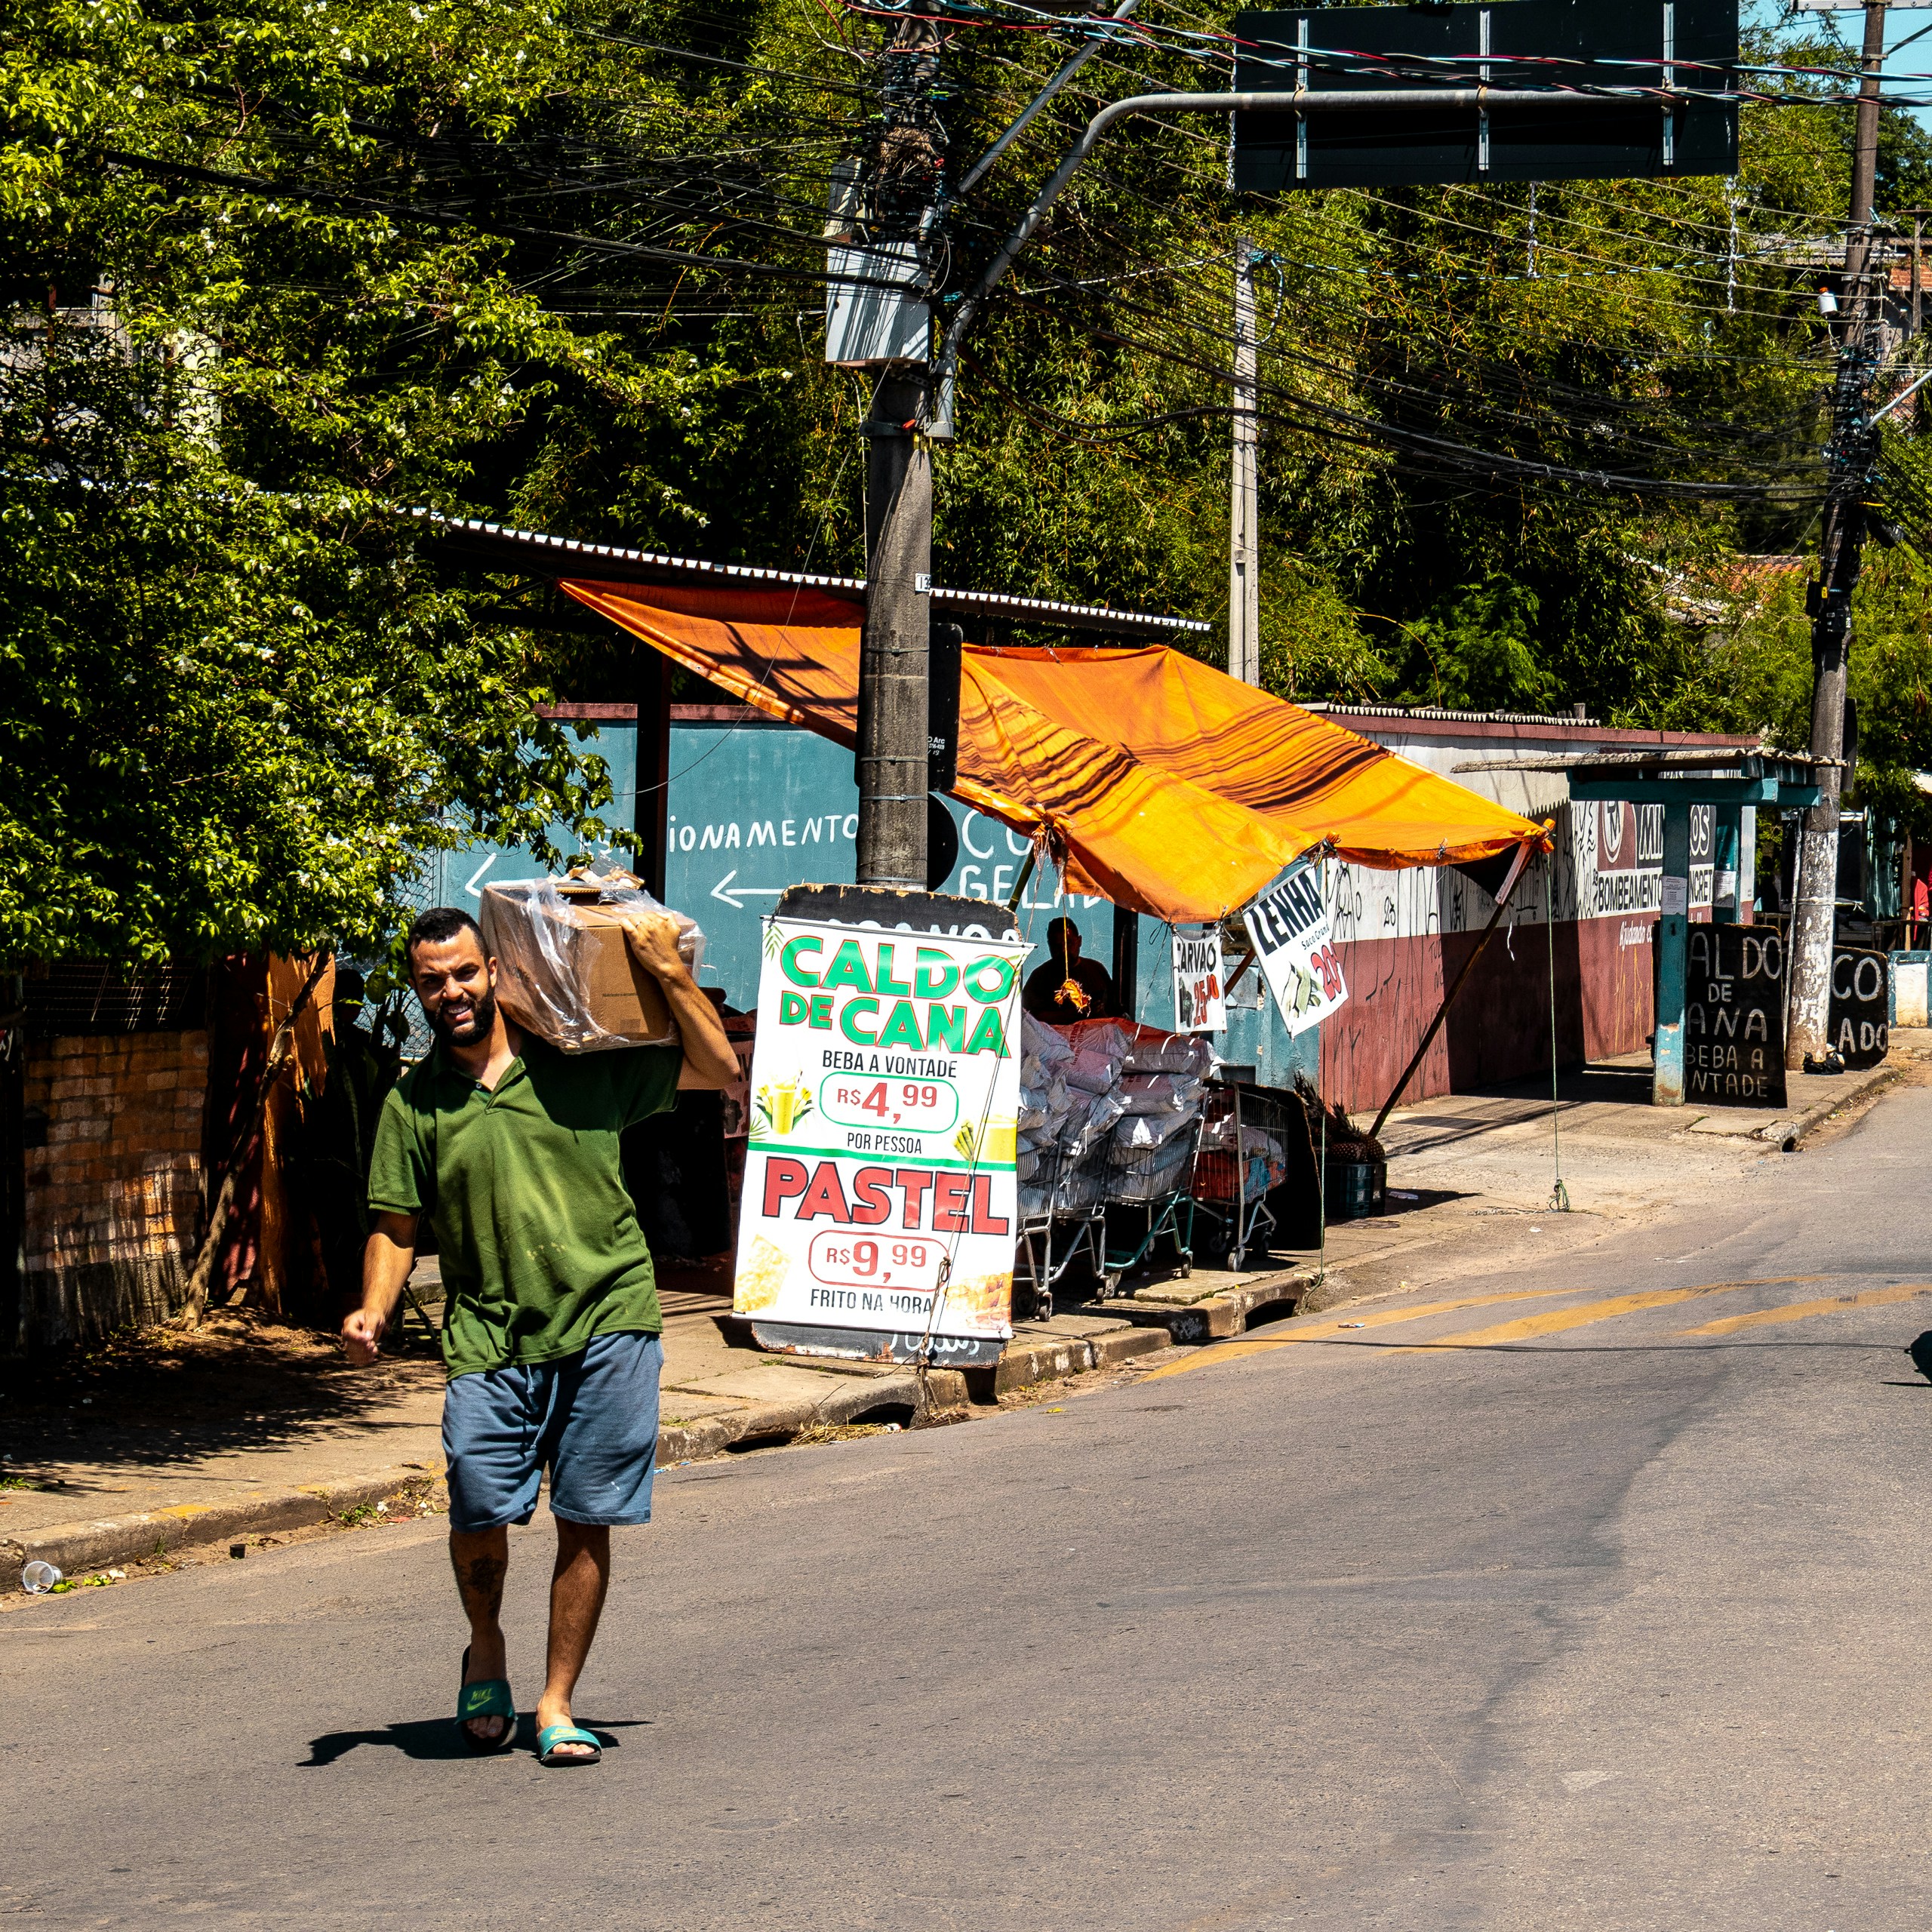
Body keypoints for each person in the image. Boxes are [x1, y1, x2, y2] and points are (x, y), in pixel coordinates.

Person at [341, 903, 736, 1767]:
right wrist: (373, 1306)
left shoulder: (578, 1069)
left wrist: (670, 972)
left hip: (608, 1316)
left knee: (584, 1513)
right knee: (479, 1500)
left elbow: (717, 1068)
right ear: (417, 991)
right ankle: (486, 1641)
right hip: (487, 1332)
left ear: (497, 972)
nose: (450, 991)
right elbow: (397, 1226)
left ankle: (556, 1702)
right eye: (431, 980)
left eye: (465, 973)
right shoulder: (414, 1104)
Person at [1022, 916, 1122, 1022]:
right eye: (1056, 946)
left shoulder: (1096, 969)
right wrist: (1076, 1014)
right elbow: (1031, 1017)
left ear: (1079, 941)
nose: (1063, 950)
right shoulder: (1040, 977)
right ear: (1049, 945)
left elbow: (1114, 1009)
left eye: (1069, 943)